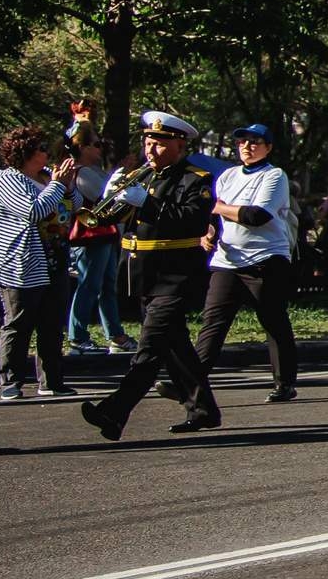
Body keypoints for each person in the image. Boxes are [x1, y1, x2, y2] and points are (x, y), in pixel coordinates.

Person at [78, 112, 220, 437]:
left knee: (150, 348)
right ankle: (203, 410)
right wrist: (109, 198)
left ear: (180, 145)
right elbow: (113, 221)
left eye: (159, 143)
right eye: (147, 142)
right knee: (175, 347)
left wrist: (148, 204)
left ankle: (114, 412)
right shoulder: (142, 176)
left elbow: (192, 221)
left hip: (175, 276)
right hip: (142, 275)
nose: (151, 149)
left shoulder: (195, 179)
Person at [194, 122, 300, 403]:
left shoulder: (274, 176)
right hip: (227, 260)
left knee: (273, 320)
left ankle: (285, 382)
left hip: (265, 258)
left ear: (268, 148)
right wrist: (209, 231)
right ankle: (190, 380)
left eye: (255, 142)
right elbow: (216, 216)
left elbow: (256, 216)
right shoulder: (227, 175)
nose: (247, 147)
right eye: (242, 142)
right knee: (213, 322)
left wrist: (215, 206)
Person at [0, 126, 78, 399]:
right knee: (19, 323)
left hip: (54, 261)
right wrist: (58, 186)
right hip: (20, 265)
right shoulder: (8, 180)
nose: (47, 152)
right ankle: (11, 382)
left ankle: (51, 381)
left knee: (51, 324)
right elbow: (33, 211)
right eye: (41, 148)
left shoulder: (48, 177)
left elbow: (73, 207)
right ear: (23, 153)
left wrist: (68, 187)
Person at [61, 123, 131, 355]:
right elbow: (106, 198)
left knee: (106, 287)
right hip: (90, 236)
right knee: (89, 284)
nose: (101, 148)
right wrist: (122, 177)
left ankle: (116, 335)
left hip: (105, 234)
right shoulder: (82, 172)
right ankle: (77, 338)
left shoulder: (93, 170)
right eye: (97, 144)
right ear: (81, 147)